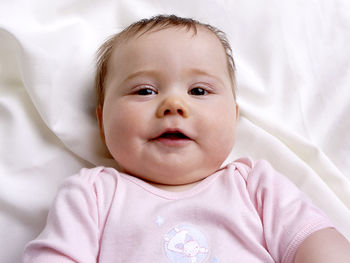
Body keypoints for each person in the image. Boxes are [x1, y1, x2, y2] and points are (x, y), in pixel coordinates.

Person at [23, 15, 350, 263]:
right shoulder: (93, 194)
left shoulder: (254, 185)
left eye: (198, 90)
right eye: (145, 90)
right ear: (103, 123)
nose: (173, 105)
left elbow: (317, 242)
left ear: (233, 118)